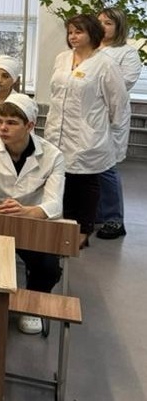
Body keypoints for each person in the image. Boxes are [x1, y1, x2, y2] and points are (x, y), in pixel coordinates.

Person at [0, 94, 66, 334]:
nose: (3, 128)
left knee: (48, 267)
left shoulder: (53, 155)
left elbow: (55, 204)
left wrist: (27, 211)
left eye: (12, 123)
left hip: (31, 221)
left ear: (30, 125)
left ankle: (32, 306)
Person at [43, 14, 129, 245]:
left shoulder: (105, 64)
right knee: (62, 181)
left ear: (92, 33)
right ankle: (65, 229)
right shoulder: (62, 58)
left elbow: (118, 103)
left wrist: (107, 131)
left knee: (85, 184)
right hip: (57, 131)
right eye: (70, 32)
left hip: (87, 135)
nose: (73, 36)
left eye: (78, 32)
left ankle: (82, 232)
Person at [96, 6, 142, 240]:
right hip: (87, 116)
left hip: (110, 117)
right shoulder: (90, 49)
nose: (102, 27)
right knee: (88, 167)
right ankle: (96, 214)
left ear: (119, 27)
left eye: (108, 23)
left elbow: (122, 85)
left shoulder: (127, 53)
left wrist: (93, 85)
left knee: (107, 168)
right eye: (99, 22)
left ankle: (114, 219)